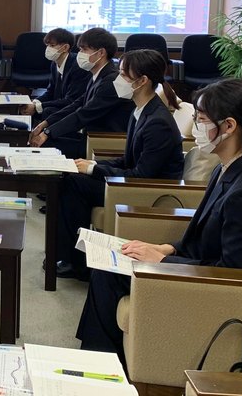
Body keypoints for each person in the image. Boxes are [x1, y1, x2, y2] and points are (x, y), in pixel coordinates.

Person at [76, 78, 242, 363]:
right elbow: (201, 237)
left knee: (108, 276)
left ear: (229, 126)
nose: (196, 127)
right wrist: (167, 248)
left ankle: (100, 364)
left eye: (202, 119)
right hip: (195, 268)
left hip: (214, 291)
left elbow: (233, 273)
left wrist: (164, 262)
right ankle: (98, 361)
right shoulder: (225, 169)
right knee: (107, 267)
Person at [54, 49, 185, 279]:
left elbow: (142, 175)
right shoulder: (141, 110)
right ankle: (70, 255)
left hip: (147, 192)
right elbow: (127, 159)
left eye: (123, 75)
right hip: (133, 183)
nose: (118, 79)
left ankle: (77, 263)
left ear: (142, 81)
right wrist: (92, 163)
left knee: (75, 184)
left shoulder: (158, 123)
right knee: (73, 177)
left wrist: (95, 169)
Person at [29, 28, 134, 159]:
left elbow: (83, 114)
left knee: (45, 143)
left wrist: (47, 132)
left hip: (102, 140)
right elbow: (76, 104)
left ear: (101, 53)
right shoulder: (98, 75)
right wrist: (45, 124)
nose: (80, 54)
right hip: (89, 133)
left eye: (84, 50)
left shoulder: (110, 82)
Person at [21, 28, 90, 121]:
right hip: (62, 103)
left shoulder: (78, 66)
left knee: (46, 111)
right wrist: (35, 102)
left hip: (74, 108)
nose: (48, 49)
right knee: (29, 108)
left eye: (52, 45)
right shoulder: (54, 63)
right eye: (47, 45)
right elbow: (50, 91)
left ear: (65, 47)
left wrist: (38, 106)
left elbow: (71, 100)